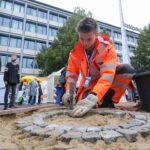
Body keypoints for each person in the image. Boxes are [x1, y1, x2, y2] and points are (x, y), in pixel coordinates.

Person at [62, 17, 135, 117]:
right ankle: (99, 101)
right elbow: (71, 76)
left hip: (107, 83)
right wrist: (69, 92)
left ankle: (108, 100)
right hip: (88, 85)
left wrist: (95, 95)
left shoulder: (106, 48)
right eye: (82, 39)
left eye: (89, 39)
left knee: (127, 70)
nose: (85, 43)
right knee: (83, 103)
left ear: (96, 35)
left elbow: (107, 75)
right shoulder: (74, 53)